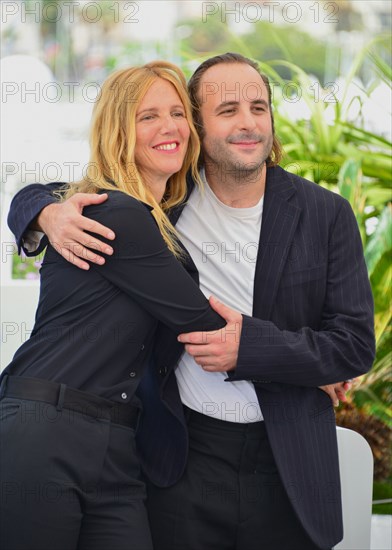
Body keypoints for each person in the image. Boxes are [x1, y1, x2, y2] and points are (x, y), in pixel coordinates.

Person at [7, 53, 374, 550]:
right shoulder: (163, 201)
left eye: (259, 107)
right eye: (227, 110)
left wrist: (286, 356)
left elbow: (352, 347)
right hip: (182, 456)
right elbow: (76, 191)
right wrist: (43, 213)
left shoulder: (326, 213)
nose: (247, 123)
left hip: (287, 461)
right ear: (200, 125)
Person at [0, 60, 229, 550]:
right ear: (118, 131)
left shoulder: (152, 212)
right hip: (47, 429)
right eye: (148, 116)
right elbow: (200, 322)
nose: (169, 127)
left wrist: (41, 209)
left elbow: (32, 196)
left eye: (176, 113)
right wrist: (306, 359)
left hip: (117, 441)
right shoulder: (115, 212)